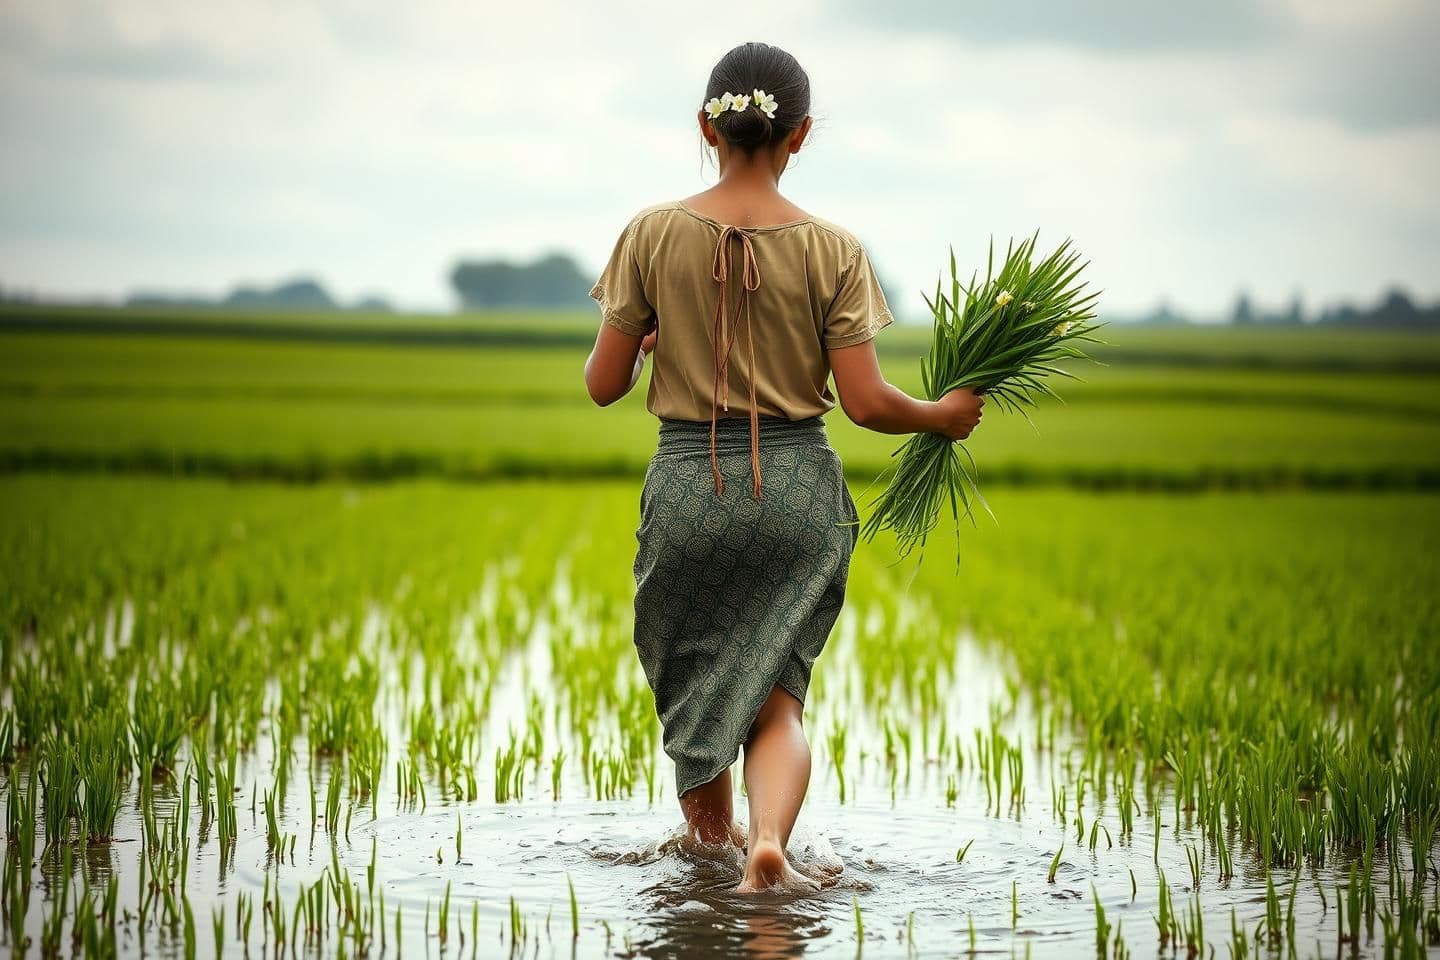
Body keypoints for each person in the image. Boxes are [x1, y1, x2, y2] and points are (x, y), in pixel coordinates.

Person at [582, 41, 984, 894]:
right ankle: (769, 842)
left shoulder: (651, 233)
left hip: (692, 487)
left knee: (694, 689)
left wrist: (653, 340)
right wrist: (941, 417)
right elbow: (869, 404)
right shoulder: (834, 248)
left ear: (705, 127)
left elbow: (603, 386)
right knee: (778, 696)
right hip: (799, 490)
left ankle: (713, 857)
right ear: (799, 136)